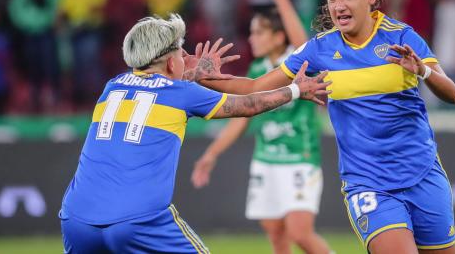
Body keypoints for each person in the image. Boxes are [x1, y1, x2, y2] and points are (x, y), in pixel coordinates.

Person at [194, 0, 455, 253]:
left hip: (424, 174)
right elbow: (255, 85)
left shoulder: (401, 37)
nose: (338, 5)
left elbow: (451, 93)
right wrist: (204, 77)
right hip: (370, 184)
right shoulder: (320, 49)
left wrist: (423, 71)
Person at [59, 14, 330, 254]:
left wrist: (190, 76)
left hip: (76, 221)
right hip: (138, 220)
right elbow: (249, 106)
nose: (186, 58)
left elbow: (154, 92)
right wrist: (296, 90)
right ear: (168, 62)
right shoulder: (180, 93)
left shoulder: (111, 86)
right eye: (181, 53)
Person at [191, 0, 332, 254]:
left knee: (300, 233)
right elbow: (240, 117)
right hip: (266, 160)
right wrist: (211, 154)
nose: (252, 38)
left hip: (299, 157)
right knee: (276, 235)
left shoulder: (296, 63)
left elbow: (302, 44)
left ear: (278, 37)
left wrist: (281, 0)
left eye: (259, 32)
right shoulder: (256, 71)